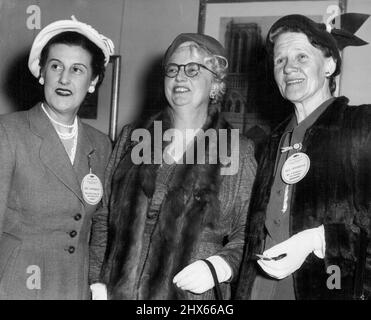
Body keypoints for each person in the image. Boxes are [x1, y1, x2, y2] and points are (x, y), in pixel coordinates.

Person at [89, 33, 257, 300]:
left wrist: (219, 267)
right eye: (173, 69)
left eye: (192, 70)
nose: (180, 77)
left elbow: (249, 231)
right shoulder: (133, 138)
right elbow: (103, 217)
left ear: (215, 82)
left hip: (191, 296)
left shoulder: (237, 149)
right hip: (119, 293)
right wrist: (97, 280)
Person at [235, 13, 371, 300]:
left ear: (330, 65)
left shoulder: (362, 126)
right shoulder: (271, 142)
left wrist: (320, 240)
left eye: (301, 57)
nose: (288, 68)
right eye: (280, 60)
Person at [0, 17, 114, 299]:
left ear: (93, 81)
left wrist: (96, 282)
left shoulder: (100, 145)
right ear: (42, 74)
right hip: (16, 284)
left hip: (73, 286)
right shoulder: (8, 131)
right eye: (56, 66)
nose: (64, 78)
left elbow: (100, 224)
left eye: (77, 69)